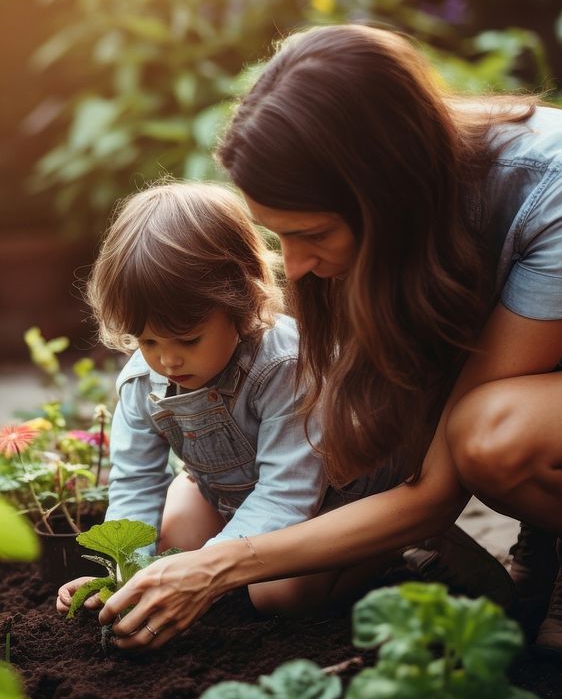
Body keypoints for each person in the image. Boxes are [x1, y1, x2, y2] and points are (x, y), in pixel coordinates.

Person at [95, 25, 562, 654]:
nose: (294, 265)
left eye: (312, 233)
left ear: (383, 195)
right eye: (276, 234)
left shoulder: (546, 191)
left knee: (493, 436)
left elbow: (438, 484)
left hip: (533, 410)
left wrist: (218, 566)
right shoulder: (396, 205)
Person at [56, 179, 392, 620]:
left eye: (188, 339)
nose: (168, 359)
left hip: (327, 498)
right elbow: (135, 482)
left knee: (278, 597)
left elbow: (286, 496)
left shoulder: (284, 366)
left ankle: (390, 554)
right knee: (173, 539)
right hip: (231, 492)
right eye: (148, 340)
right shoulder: (142, 381)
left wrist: (203, 570)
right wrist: (125, 575)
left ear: (242, 299)